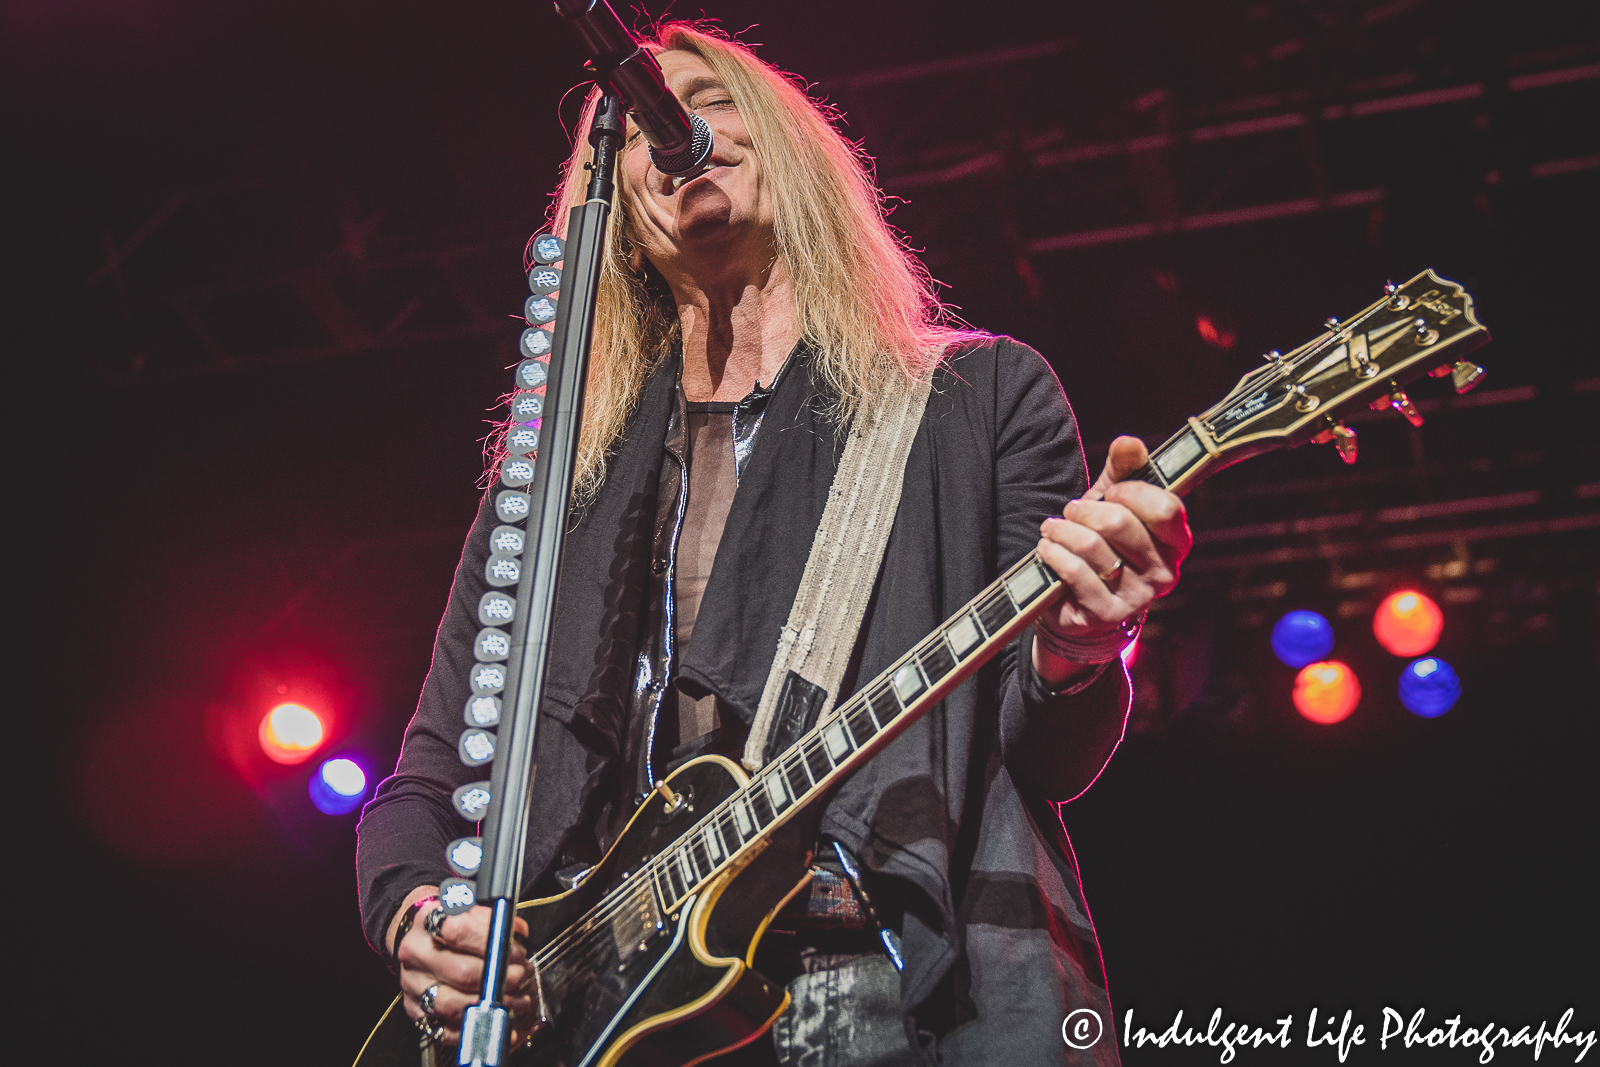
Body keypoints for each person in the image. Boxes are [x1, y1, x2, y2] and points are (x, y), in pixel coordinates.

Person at [356, 22, 1190, 1066]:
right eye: (631, 134)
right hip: (595, 1023)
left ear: (790, 147)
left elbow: (1045, 759)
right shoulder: (553, 479)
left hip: (894, 979)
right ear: (612, 222)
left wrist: (1075, 645)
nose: (671, 131)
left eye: (708, 100)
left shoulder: (976, 398)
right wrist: (418, 915)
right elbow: (430, 776)